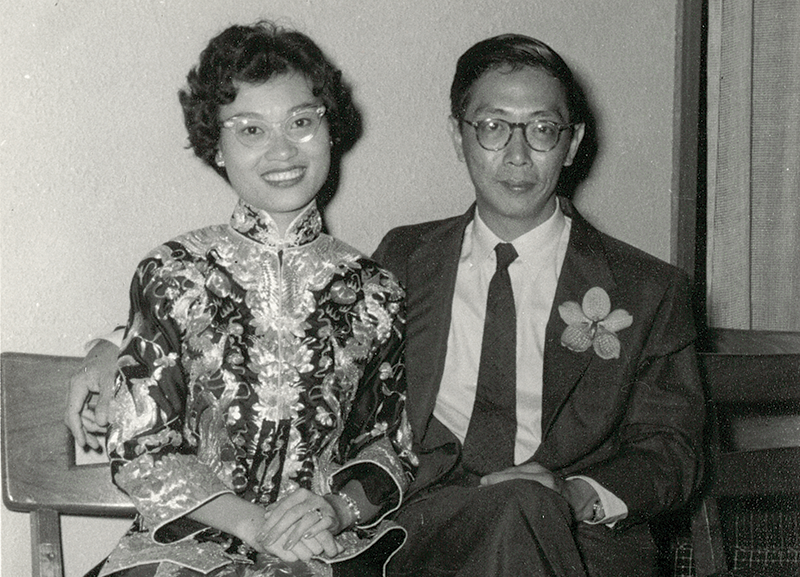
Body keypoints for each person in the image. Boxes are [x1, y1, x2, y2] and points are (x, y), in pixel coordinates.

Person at [68, 33, 705, 577]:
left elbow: (674, 453)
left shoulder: (647, 289)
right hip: (411, 536)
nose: (517, 153)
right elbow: (266, 323)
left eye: (542, 129)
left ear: (571, 142)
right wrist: (112, 349)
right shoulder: (402, 260)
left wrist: (575, 495)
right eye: (491, 127)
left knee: (521, 507)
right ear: (459, 137)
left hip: (559, 538)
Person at [79, 21, 416, 577]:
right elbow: (144, 450)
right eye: (251, 130)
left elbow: (390, 448)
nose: (282, 149)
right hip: (189, 545)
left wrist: (335, 509)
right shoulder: (174, 274)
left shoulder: (377, 293)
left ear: (331, 130)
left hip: (326, 549)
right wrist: (252, 524)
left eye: (302, 123)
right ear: (216, 146)